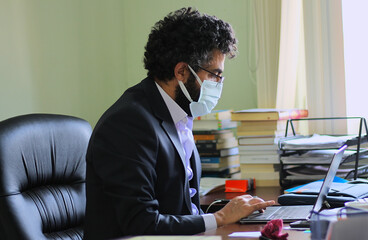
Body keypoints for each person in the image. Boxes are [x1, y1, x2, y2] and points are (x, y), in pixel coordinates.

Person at [83, 7, 275, 239]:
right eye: (214, 74)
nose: (219, 83)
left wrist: (233, 211)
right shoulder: (128, 124)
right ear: (182, 71)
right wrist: (221, 218)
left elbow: (183, 207)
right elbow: (141, 223)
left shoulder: (178, 114)